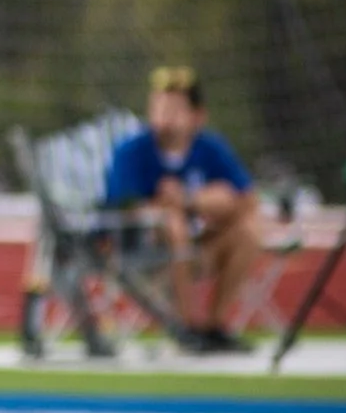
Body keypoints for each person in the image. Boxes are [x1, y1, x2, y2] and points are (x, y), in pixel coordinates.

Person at [102, 66, 261, 353]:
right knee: (172, 224)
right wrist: (162, 209)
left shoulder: (210, 148)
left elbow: (247, 200)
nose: (164, 116)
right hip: (148, 258)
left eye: (174, 109)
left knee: (249, 231)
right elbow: (121, 207)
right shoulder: (132, 151)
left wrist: (193, 200)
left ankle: (213, 327)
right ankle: (186, 328)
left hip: (200, 250)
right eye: (158, 107)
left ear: (197, 116)